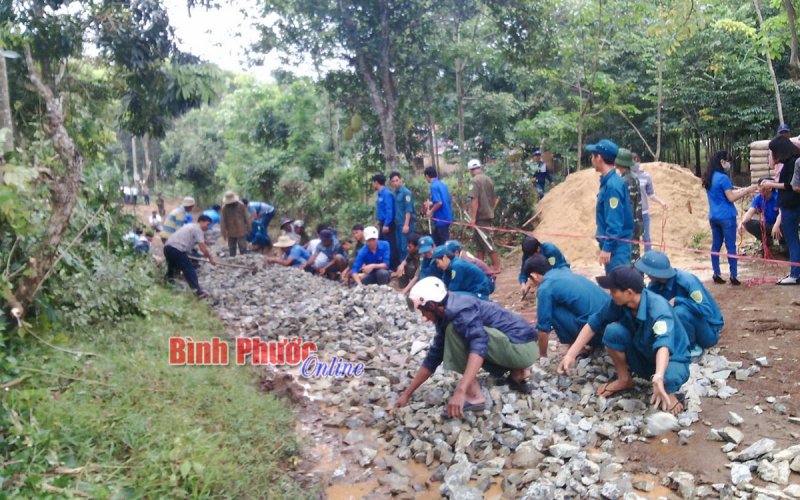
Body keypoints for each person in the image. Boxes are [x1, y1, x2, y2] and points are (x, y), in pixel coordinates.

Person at [396, 277, 539, 418]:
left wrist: (461, 390)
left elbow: (479, 345)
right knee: (457, 333)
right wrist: (407, 394)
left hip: (523, 349)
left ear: (432, 305)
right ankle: (516, 375)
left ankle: (475, 396)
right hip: (521, 345)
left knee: (454, 331)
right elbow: (434, 356)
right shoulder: (447, 312)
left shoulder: (459, 312)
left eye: (423, 311)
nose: (424, 317)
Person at [557, 265, 691, 414]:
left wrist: (659, 376)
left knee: (670, 377)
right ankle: (624, 379)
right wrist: (571, 354)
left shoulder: (658, 310)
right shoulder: (619, 303)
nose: (610, 293)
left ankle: (669, 393)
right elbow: (594, 324)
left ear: (629, 292)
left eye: (614, 290)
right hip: (643, 351)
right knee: (613, 332)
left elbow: (663, 346)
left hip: (672, 358)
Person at [634, 251, 722, 357]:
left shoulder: (687, 281)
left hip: (708, 331)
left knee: (680, 311)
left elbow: (706, 310)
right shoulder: (654, 286)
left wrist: (679, 301)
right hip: (681, 329)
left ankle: (692, 348)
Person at [523, 255, 610, 358]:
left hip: (595, 332)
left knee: (550, 309)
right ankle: (580, 345)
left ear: (534, 275)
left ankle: (578, 346)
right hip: (608, 326)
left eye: (530, 279)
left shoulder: (545, 288)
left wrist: (542, 355)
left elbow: (543, 329)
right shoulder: (562, 271)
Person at [702, 151, 757, 285]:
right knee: (730, 246)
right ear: (722, 162)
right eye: (728, 161)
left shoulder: (709, 177)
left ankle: (716, 273)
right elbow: (731, 197)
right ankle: (733, 275)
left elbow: (728, 193)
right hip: (726, 217)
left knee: (716, 245)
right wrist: (748, 190)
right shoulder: (723, 178)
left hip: (714, 216)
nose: (729, 164)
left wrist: (743, 190)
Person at [586, 139, 634, 273]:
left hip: (617, 249)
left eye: (592, 156)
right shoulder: (610, 182)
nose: (591, 159)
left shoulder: (613, 185)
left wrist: (607, 247)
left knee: (619, 289)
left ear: (599, 158)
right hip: (615, 247)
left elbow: (615, 222)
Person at [761, 136, 800, 284]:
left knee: (792, 240)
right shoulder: (792, 161)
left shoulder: (792, 163)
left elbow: (792, 186)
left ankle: (795, 274)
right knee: (793, 239)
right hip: (791, 205)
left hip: (791, 206)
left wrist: (773, 185)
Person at [163, 215, 217, 299]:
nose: (208, 227)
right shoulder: (197, 229)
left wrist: (203, 253)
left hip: (168, 248)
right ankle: (198, 293)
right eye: (207, 224)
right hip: (177, 249)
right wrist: (210, 258)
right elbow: (202, 247)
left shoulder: (190, 226)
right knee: (189, 270)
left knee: (172, 269)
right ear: (201, 222)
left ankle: (167, 285)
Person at [467, 159, 500, 272]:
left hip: (480, 216)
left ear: (471, 170)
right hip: (488, 214)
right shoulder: (488, 179)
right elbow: (494, 198)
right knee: (479, 242)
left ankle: (496, 266)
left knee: (486, 241)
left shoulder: (474, 181)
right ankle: (480, 266)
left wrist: (473, 218)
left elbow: (474, 200)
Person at [631, 153, 668, 253]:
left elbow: (651, 194)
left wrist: (661, 202)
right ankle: (633, 261)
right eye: (632, 160)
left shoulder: (646, 176)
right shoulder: (624, 177)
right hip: (630, 214)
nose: (635, 162)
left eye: (636, 160)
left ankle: (647, 260)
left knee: (646, 238)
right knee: (632, 239)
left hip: (644, 213)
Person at [615, 148, 643, 261]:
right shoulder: (633, 177)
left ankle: (634, 277)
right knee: (635, 254)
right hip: (636, 223)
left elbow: (629, 205)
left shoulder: (626, 180)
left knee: (630, 258)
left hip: (630, 226)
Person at [738, 178, 780, 250]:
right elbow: (750, 212)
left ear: (770, 188)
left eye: (761, 186)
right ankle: (767, 241)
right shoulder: (758, 198)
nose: (759, 188)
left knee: (785, 227)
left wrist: (776, 225)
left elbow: (782, 213)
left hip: (779, 225)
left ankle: (784, 244)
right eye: (759, 186)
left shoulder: (778, 197)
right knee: (748, 224)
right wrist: (741, 223)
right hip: (767, 225)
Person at [372, 173, 398, 270]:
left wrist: (387, 224)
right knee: (382, 244)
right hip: (382, 223)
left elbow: (389, 210)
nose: (373, 185)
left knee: (390, 245)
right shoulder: (379, 194)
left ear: (376, 183)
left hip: (388, 224)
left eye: (373, 183)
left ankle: (393, 267)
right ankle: (385, 265)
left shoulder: (387, 194)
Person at [424, 166, 453, 245]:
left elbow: (439, 203)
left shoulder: (433, 186)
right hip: (447, 216)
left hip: (441, 218)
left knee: (444, 242)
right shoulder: (442, 184)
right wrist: (431, 203)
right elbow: (444, 199)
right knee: (436, 241)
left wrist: (430, 211)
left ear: (427, 176)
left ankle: (448, 256)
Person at [390, 171, 415, 262]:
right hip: (398, 225)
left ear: (400, 180)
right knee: (399, 247)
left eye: (397, 180)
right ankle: (402, 268)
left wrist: (406, 225)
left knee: (406, 247)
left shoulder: (406, 193)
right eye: (393, 181)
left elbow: (409, 210)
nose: (395, 183)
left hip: (405, 224)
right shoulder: (394, 194)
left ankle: (408, 268)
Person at [220, 191, 250, 257]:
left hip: (240, 229)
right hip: (230, 230)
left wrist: (249, 228)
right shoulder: (224, 208)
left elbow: (246, 217)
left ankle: (244, 258)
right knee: (231, 246)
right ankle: (232, 258)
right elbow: (223, 221)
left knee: (242, 246)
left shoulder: (241, 205)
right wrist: (223, 233)